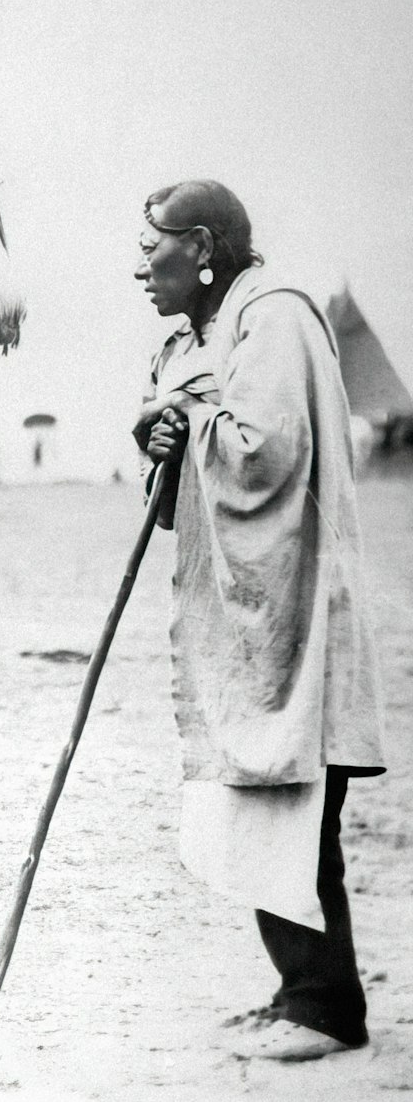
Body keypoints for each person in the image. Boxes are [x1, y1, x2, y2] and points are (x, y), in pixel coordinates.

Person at [132, 179, 386, 1062]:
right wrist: (159, 438)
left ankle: (327, 1006)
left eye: (154, 243)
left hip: (301, 613)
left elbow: (265, 455)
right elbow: (185, 499)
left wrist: (190, 418)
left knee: (300, 815)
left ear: (201, 248)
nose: (140, 265)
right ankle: (298, 994)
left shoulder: (275, 318)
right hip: (262, 623)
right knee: (267, 810)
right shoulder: (206, 334)